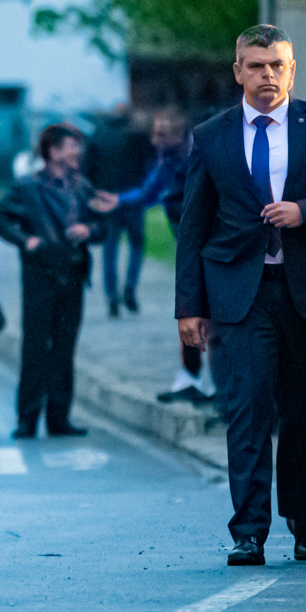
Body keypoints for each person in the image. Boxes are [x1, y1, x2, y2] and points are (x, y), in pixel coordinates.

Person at [175, 24, 306, 567]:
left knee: (302, 409)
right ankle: (248, 531)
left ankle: (303, 521)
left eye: (276, 66)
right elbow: (193, 226)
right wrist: (189, 308)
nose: (267, 75)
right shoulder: (212, 135)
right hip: (241, 293)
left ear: (291, 71)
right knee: (247, 407)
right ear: (238, 71)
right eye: (256, 66)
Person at [0, 124, 117, 438]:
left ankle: (59, 420)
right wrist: (25, 240)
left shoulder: (81, 186)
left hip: (73, 276)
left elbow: (102, 226)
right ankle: (27, 419)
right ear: (54, 150)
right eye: (71, 146)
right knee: (35, 348)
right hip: (39, 277)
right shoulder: (28, 186)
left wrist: (88, 230)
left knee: (64, 349)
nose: (77, 152)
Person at [111, 110, 201, 403]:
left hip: (210, 251)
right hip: (189, 251)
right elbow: (148, 193)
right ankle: (192, 377)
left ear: (179, 133)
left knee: (204, 316)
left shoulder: (198, 159)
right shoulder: (170, 161)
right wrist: (117, 200)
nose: (154, 140)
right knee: (190, 313)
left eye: (161, 133)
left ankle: (207, 382)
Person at [84, 105, 152, 317]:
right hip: (132, 199)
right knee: (137, 245)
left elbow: (87, 170)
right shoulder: (138, 136)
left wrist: (95, 195)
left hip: (106, 199)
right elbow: (149, 165)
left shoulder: (97, 137)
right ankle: (130, 287)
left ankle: (111, 296)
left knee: (109, 249)